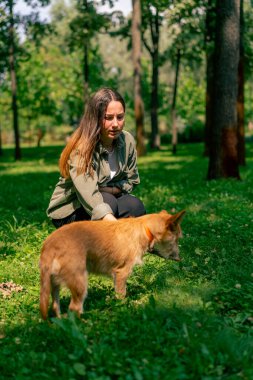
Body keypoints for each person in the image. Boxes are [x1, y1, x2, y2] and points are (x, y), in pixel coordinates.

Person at [47, 87, 146, 228]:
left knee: (135, 207)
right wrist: (115, 226)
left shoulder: (127, 140)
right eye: (108, 118)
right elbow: (90, 195)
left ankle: (119, 245)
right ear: (96, 118)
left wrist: (109, 189)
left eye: (120, 117)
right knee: (108, 202)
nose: (116, 124)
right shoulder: (82, 147)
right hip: (71, 211)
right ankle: (107, 245)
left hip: (107, 200)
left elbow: (132, 179)